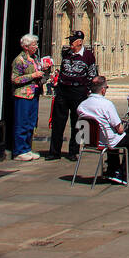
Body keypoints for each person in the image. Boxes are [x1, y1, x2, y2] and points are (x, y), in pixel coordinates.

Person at [77, 76, 129, 183]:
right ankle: (126, 173)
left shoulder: (82, 105)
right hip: (107, 141)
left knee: (115, 136)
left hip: (90, 140)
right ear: (103, 89)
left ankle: (113, 170)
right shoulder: (106, 104)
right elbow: (119, 128)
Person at [46, 30, 98, 160]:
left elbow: (92, 75)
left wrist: (89, 93)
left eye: (72, 41)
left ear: (79, 42)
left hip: (79, 92)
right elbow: (63, 70)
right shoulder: (66, 53)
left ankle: (74, 152)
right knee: (58, 122)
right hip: (63, 91)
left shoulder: (88, 56)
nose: (70, 44)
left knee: (78, 122)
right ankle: (54, 152)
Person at [10, 34, 44, 161]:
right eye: (34, 45)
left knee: (31, 123)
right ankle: (19, 151)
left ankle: (27, 149)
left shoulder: (34, 58)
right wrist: (33, 75)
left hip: (34, 94)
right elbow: (15, 79)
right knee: (22, 123)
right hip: (23, 95)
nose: (36, 46)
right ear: (26, 47)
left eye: (36, 44)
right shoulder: (19, 60)